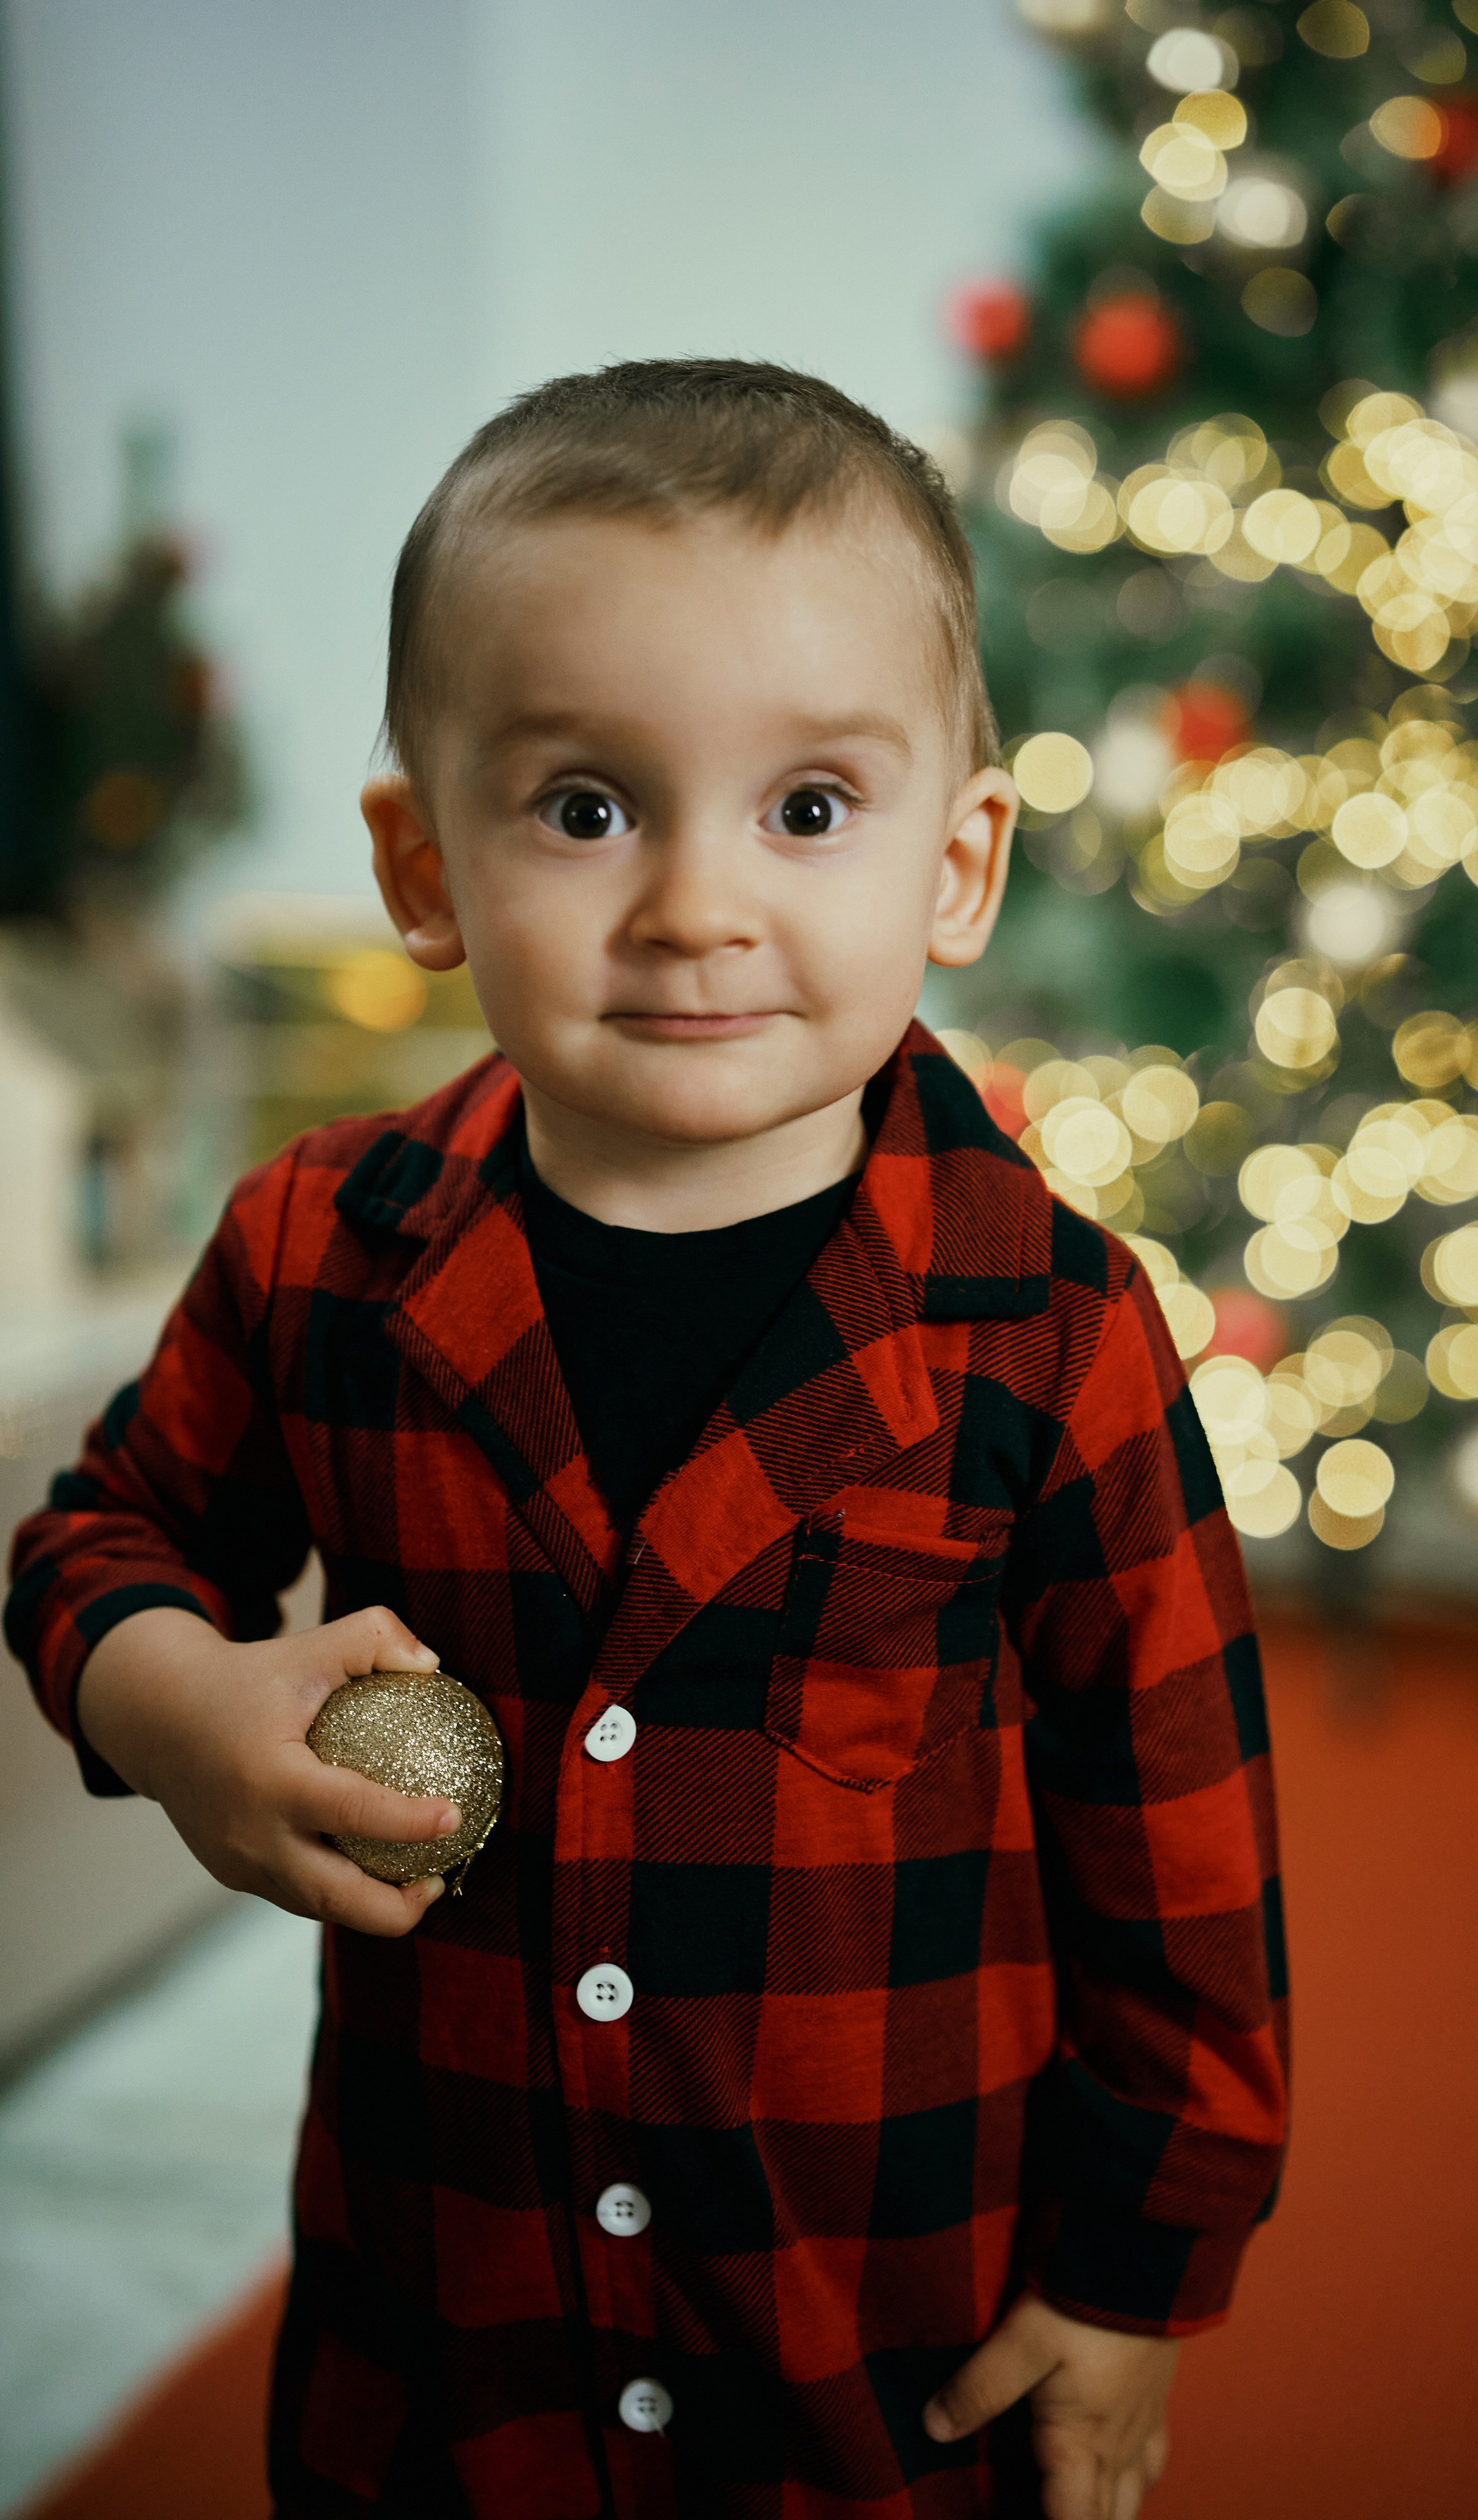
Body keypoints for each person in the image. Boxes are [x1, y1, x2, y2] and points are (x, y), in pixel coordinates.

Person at [7, 361, 1288, 2520]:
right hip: (444, 2354)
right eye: (587, 808)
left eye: (807, 810)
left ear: (956, 863)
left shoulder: (1049, 1330)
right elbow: (98, 1534)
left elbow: (1183, 1863)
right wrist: (184, 1708)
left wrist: (1138, 2277)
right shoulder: (324, 1253)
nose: (698, 902)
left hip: (869, 2375)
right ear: (424, 863)